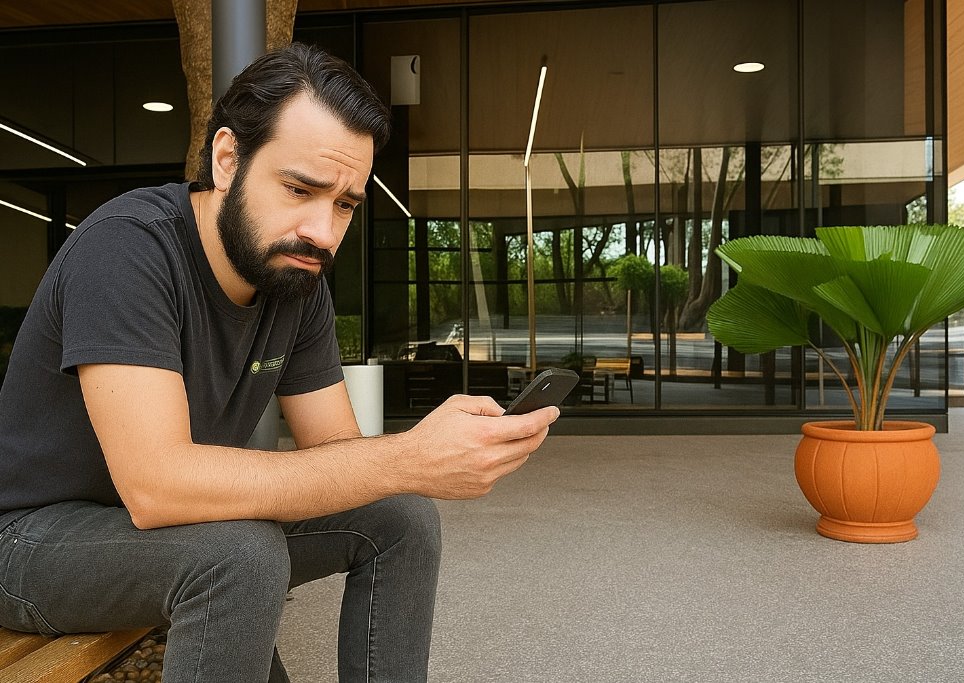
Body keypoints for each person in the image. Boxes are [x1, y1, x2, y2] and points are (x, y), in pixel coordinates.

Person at [0, 42, 558, 682]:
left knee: (400, 515)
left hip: (169, 530)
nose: (323, 232)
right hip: (30, 539)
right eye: (299, 189)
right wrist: (408, 456)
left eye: (344, 204)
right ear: (227, 159)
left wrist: (421, 461)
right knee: (241, 554)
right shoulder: (127, 250)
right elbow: (157, 487)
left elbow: (337, 454)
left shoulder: (296, 277)